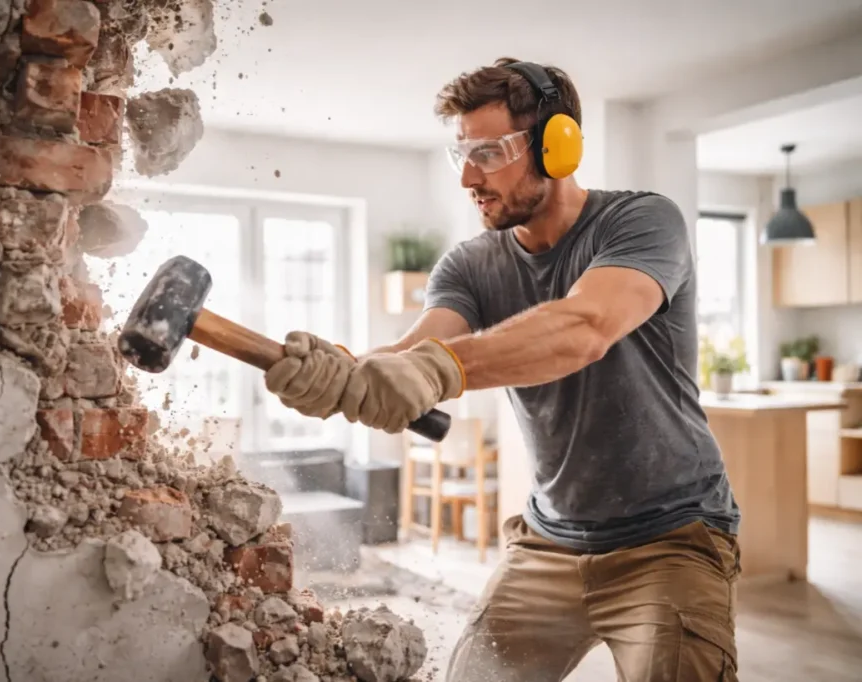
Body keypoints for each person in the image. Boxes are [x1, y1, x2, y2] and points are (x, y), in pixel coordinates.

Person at [264, 58, 741, 682]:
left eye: (488, 152)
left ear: (556, 145)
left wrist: (435, 370)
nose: (467, 175)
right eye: (461, 153)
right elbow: (417, 352)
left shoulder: (642, 222)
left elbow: (586, 327)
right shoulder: (469, 265)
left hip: (672, 537)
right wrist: (342, 373)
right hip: (549, 540)